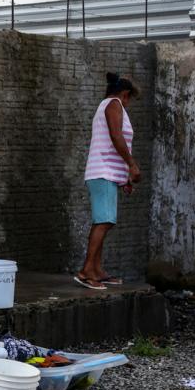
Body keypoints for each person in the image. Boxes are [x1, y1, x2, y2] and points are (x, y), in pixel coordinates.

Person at [75, 72, 141, 290]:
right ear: (124, 94)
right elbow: (116, 136)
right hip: (102, 172)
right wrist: (131, 165)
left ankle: (96, 270)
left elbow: (115, 143)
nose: (129, 102)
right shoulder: (114, 104)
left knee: (104, 221)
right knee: (104, 221)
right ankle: (85, 271)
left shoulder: (109, 104)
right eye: (129, 97)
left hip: (107, 172)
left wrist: (123, 178)